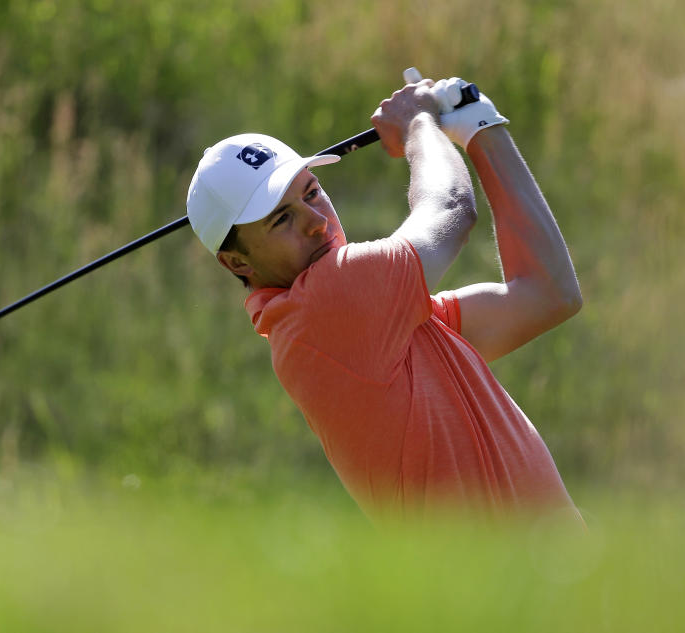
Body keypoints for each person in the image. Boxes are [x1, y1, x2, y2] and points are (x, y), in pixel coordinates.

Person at [185, 76, 584, 522]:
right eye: (282, 219)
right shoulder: (324, 307)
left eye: (312, 192)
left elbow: (547, 293)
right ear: (238, 263)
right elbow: (451, 208)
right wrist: (418, 124)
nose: (317, 222)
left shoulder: (383, 320)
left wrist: (481, 127)